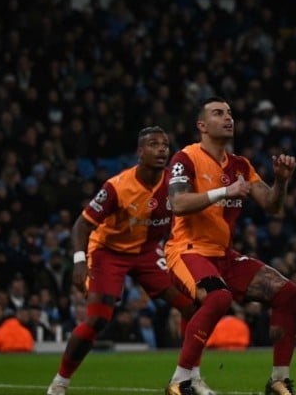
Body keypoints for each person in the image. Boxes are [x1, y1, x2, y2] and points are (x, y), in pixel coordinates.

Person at [48, 128, 205, 395]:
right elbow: (81, 226)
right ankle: (59, 384)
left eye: (165, 145)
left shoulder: (174, 185)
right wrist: (78, 261)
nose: (161, 150)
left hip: (147, 252)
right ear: (140, 152)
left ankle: (189, 380)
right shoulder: (117, 186)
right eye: (153, 145)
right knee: (98, 319)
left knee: (192, 305)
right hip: (108, 252)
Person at [164, 97, 296, 395]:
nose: (228, 118)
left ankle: (278, 379)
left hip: (224, 255)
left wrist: (280, 182)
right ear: (202, 126)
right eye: (218, 113)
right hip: (187, 250)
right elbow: (178, 202)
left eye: (229, 113)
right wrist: (225, 190)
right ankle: (179, 381)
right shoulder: (185, 159)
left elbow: (272, 206)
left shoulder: (241, 165)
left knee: (288, 293)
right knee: (218, 297)